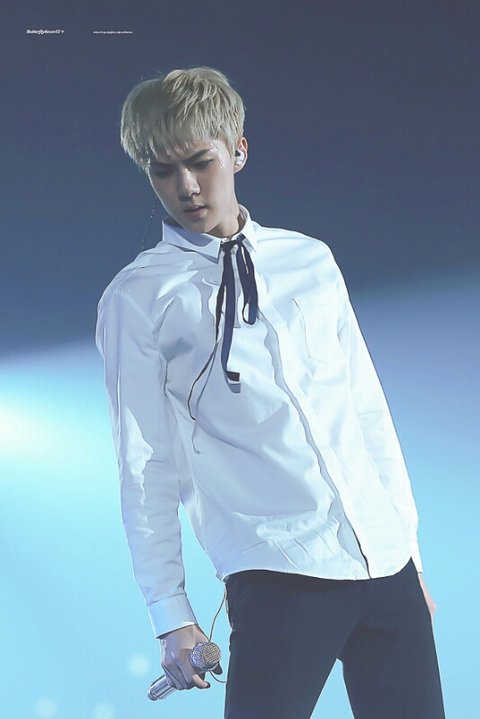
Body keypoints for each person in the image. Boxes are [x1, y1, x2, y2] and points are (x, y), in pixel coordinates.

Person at [95, 66, 445, 718]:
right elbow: (144, 467)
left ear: (238, 150)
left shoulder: (310, 259)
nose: (186, 186)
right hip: (277, 571)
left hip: (383, 561)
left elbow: (365, 411)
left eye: (200, 162)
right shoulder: (137, 298)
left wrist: (412, 559)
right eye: (163, 170)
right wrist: (171, 614)